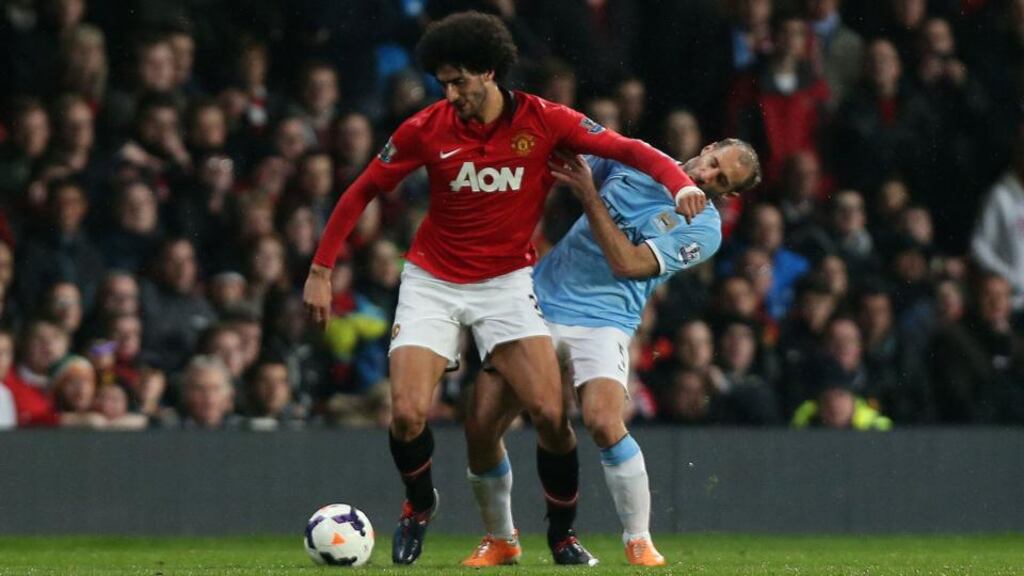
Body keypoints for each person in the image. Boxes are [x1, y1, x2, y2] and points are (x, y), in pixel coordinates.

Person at [302, 11, 706, 566]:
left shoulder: (546, 120)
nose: (450, 93)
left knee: (548, 413)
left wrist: (680, 182)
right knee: (408, 414)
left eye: (459, 81)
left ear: (490, 72)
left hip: (507, 287)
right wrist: (321, 269)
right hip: (432, 282)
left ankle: (561, 536)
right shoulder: (424, 128)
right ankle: (419, 507)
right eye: (442, 83)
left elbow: (628, 148)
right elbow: (361, 191)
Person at [461, 139, 761, 567]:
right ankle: (501, 538)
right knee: (482, 424)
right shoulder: (637, 162)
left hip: (605, 321)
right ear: (707, 148)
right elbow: (563, 153)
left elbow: (629, 264)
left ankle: (639, 539)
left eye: (721, 179)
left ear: (728, 194)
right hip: (539, 304)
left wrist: (588, 194)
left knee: (604, 420)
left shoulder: (704, 228)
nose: (706, 176)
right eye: (712, 163)